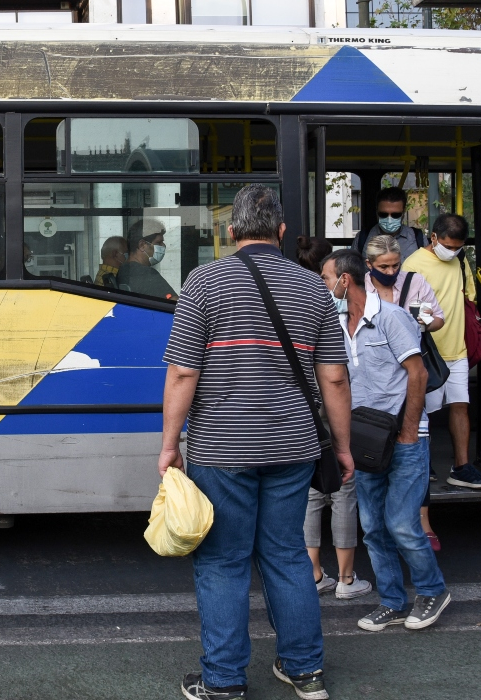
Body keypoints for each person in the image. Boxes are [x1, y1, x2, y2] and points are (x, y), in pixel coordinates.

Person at [161, 184, 353, 700]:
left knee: (223, 560)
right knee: (288, 554)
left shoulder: (203, 281)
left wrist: (168, 444)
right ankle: (305, 670)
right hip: (293, 448)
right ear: (282, 232)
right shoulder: (314, 288)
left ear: (230, 231)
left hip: (221, 450)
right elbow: (334, 378)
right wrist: (342, 447)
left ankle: (223, 681)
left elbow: (182, 373)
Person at [320, 249, 451, 633]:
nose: (324, 286)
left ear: (345, 281)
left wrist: (409, 431)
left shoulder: (391, 318)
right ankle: (392, 601)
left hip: (404, 437)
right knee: (373, 525)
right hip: (365, 441)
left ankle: (432, 591)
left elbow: (418, 375)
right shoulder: (337, 323)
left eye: (327, 279)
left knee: (401, 523)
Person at [292, 239, 372, 603]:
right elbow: (338, 377)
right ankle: (346, 577)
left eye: (325, 277)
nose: (323, 283)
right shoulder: (332, 311)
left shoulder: (306, 308)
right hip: (339, 411)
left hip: (310, 413)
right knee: (343, 492)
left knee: (311, 491)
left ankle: (314, 573)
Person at [364, 234, 446, 551]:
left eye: (395, 264)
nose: (391, 270)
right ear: (369, 265)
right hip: (374, 380)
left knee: (414, 454)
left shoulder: (414, 282)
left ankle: (420, 523)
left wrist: (425, 320)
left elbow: (438, 319)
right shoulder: (362, 287)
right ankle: (386, 528)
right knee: (376, 453)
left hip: (411, 372)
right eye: (384, 266)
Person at [402, 214, 481, 489]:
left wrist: (479, 337)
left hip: (457, 349)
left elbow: (467, 300)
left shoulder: (458, 260)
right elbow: (409, 305)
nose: (452, 252)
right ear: (433, 237)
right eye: (448, 246)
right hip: (428, 352)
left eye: (457, 247)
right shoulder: (414, 264)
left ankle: (462, 467)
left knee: (460, 406)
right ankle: (423, 465)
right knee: (423, 412)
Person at [351, 186, 426, 259]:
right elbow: (352, 268)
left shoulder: (418, 238)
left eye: (395, 215)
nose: (389, 219)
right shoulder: (362, 238)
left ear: (403, 212)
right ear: (377, 211)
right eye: (383, 214)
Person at [118, 219, 176, 300]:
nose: (164, 246)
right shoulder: (146, 274)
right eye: (158, 243)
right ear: (142, 245)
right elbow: (175, 303)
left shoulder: (123, 269)